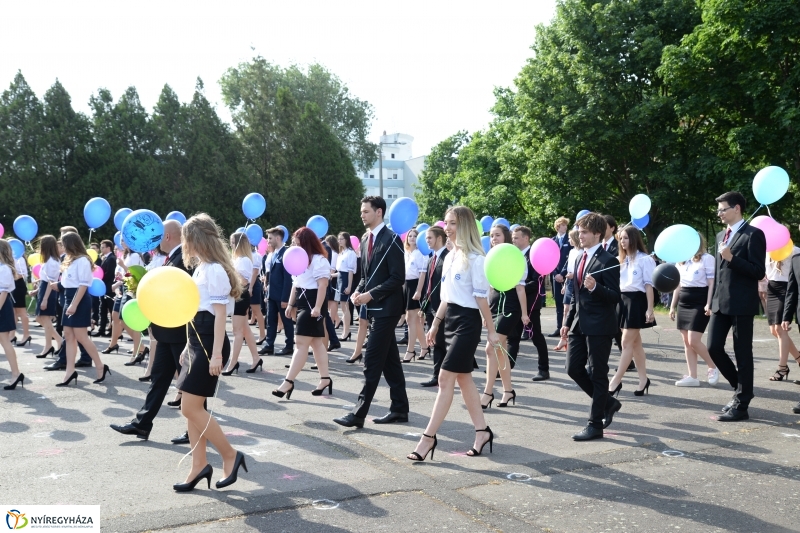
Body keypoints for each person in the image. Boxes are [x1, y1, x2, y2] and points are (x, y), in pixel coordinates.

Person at [407, 206, 498, 461]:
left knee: (445, 379)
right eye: (446, 223)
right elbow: (446, 297)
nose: (447, 228)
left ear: (465, 226)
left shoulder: (476, 259)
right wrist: (435, 325)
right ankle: (482, 432)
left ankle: (428, 438)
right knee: (464, 379)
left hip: (468, 324)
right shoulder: (449, 257)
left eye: (453, 223)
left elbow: (482, 300)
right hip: (449, 321)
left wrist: (491, 331)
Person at [172, 213, 247, 492]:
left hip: (209, 341)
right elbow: (196, 310)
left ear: (196, 238)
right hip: (196, 339)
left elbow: (218, 317)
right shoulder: (203, 267)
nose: (184, 244)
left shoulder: (214, 269)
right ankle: (199, 466)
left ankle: (230, 455)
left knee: (189, 407)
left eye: (186, 238)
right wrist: (186, 347)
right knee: (193, 410)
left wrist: (216, 355)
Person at [110, 220, 193, 443]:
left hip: (178, 330)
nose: (154, 239)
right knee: (159, 378)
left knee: (188, 382)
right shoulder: (171, 259)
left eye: (158, 234)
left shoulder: (184, 260)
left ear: (167, 236)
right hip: (166, 329)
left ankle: (195, 429)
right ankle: (142, 424)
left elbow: (177, 293)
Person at [334, 196, 409, 428]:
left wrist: (371, 294)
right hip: (373, 307)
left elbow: (398, 278)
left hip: (388, 309)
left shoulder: (393, 239)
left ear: (379, 212)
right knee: (390, 362)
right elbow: (365, 275)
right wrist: (358, 291)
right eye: (361, 211)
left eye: (366, 211)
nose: (362, 215)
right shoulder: (366, 238)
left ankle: (359, 413)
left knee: (372, 360)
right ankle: (399, 408)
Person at [561, 213, 622, 441]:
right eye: (578, 231)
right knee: (573, 368)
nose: (580, 235)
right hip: (579, 323)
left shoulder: (608, 261)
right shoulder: (578, 258)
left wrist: (596, 287)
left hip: (600, 325)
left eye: (584, 231)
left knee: (598, 374)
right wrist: (567, 323)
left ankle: (595, 424)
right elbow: (576, 296)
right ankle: (608, 402)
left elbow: (615, 296)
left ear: (597, 233)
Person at [708, 191, 766, 422]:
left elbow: (758, 271)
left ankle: (741, 404)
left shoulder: (754, 234)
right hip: (719, 303)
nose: (719, 213)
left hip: (741, 303)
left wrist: (732, 258)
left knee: (743, 353)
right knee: (713, 348)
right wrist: (710, 301)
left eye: (723, 209)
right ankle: (740, 389)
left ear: (737, 209)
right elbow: (717, 273)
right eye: (719, 210)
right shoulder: (722, 234)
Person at [272, 227, 333, 399]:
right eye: (294, 243)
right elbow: (296, 282)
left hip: (313, 303)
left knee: (300, 343)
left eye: (298, 243)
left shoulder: (319, 260)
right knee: (316, 343)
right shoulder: (299, 258)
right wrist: (291, 304)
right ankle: (325, 379)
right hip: (302, 301)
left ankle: (288, 382)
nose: (295, 246)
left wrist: (317, 307)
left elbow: (323, 285)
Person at [481, 224, 527, 409]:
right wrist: (485, 313)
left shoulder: (514, 257)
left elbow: (520, 287)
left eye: (497, 235)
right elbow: (487, 288)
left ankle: (488, 393)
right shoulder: (491, 257)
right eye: (492, 236)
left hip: (509, 308)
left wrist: (524, 314)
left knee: (490, 349)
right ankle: (508, 391)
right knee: (500, 350)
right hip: (494, 307)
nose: (494, 239)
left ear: (506, 237)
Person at [54, 233, 109, 387]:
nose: (62, 247)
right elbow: (66, 283)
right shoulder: (69, 259)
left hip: (79, 299)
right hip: (69, 298)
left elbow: (84, 285)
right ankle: (69, 372)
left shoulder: (83, 260)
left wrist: (74, 304)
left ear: (71, 244)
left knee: (81, 337)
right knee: (68, 336)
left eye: (64, 244)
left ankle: (100, 366)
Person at [607, 227, 656, 397]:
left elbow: (649, 285)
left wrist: (650, 309)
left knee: (626, 342)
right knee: (635, 344)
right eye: (620, 239)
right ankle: (643, 379)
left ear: (634, 239)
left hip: (637, 301)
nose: (622, 242)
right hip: (622, 301)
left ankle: (615, 381)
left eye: (626, 238)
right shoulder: (620, 259)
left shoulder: (645, 259)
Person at [669, 234, 719, 387]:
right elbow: (678, 285)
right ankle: (693, 376)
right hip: (684, 300)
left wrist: (709, 303)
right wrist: (672, 305)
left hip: (700, 300)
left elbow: (711, 283)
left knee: (693, 340)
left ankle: (713, 366)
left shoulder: (707, 258)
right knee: (686, 341)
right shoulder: (680, 261)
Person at [509, 226, 549, 378]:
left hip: (531, 304)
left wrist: (518, 286)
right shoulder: (514, 256)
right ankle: (505, 368)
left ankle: (543, 369)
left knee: (536, 337)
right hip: (516, 303)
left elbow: (537, 282)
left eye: (517, 237)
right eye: (513, 238)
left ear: (526, 238)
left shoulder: (534, 256)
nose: (514, 240)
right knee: (513, 337)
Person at [222, 232, 261, 375]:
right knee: (244, 329)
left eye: (233, 242)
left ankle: (233, 363)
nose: (231, 244)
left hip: (240, 296)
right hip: (237, 296)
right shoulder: (238, 259)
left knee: (237, 331)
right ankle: (256, 358)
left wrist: (231, 271)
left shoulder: (244, 260)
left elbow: (244, 281)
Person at [764, 244, 800, 381]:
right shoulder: (768, 251)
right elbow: (766, 272)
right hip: (772, 288)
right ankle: (798, 357)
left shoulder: (794, 250)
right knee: (774, 330)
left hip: (786, 288)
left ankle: (782, 367)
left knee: (780, 329)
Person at [419, 226, 449, 387]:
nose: (427, 241)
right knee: (435, 342)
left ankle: (442, 376)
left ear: (439, 238)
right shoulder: (431, 258)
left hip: (444, 308)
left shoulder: (448, 257)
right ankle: (437, 375)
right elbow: (428, 285)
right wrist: (424, 307)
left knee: (442, 343)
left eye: (429, 238)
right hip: (431, 307)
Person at [260, 228, 294, 356]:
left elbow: (287, 279)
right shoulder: (274, 254)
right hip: (272, 294)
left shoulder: (286, 253)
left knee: (286, 321)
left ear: (278, 238)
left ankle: (289, 345)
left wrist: (286, 298)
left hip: (281, 295)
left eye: (270, 238)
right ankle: (269, 345)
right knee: (271, 321)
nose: (268, 241)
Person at [33, 235, 62, 358]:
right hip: (45, 289)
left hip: (48, 291)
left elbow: (51, 282)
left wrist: (44, 299)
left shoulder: (52, 261)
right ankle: (59, 340)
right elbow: (45, 280)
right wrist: (38, 290)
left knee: (44, 318)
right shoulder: (49, 260)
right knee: (41, 318)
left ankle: (49, 345)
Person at [0, 240, 24, 390]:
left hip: (1, 306)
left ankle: (16, 373)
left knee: (4, 340)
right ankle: (16, 373)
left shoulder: (4, 269)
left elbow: (3, 292)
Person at [401, 229, 428, 362]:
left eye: (415, 236)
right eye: (409, 236)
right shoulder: (406, 252)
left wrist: (418, 291)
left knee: (411, 320)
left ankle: (410, 350)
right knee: (413, 320)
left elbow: (423, 274)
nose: (411, 238)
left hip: (416, 286)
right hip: (406, 285)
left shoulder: (421, 253)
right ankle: (424, 347)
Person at [554, 230, 581, 352]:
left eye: (570, 238)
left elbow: (582, 270)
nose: (569, 240)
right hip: (569, 283)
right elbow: (567, 268)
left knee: (573, 310)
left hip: (578, 282)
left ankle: (572, 336)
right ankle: (563, 337)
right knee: (566, 310)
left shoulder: (582, 252)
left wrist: (573, 275)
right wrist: (565, 284)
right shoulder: (571, 251)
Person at [549, 217, 571, 336]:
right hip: (555, 275)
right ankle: (559, 327)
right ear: (558, 226)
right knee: (558, 302)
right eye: (563, 225)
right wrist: (555, 274)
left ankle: (567, 327)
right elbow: (549, 259)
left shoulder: (570, 239)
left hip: (567, 275)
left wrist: (562, 274)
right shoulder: (552, 241)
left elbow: (571, 259)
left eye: (566, 225)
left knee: (567, 302)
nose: (565, 227)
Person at [92, 240, 117, 338]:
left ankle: (112, 331)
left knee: (111, 310)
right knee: (102, 308)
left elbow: (109, 273)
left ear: (108, 248)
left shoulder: (111, 258)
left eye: (103, 247)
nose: (101, 249)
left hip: (108, 288)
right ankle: (101, 329)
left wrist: (100, 279)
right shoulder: (105, 258)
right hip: (103, 287)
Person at [335, 232, 357, 342]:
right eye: (339, 239)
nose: (339, 241)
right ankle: (345, 331)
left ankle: (346, 331)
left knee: (345, 307)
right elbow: (340, 270)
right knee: (343, 307)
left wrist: (349, 286)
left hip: (346, 280)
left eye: (341, 239)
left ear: (347, 240)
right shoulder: (342, 252)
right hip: (340, 278)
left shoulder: (350, 253)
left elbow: (350, 271)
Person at [11, 249, 30, 346]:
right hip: (12, 286)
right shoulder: (8, 257)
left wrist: (8, 276)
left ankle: (26, 335)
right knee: (13, 312)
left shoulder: (19, 258)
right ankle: (12, 335)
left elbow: (22, 274)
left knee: (21, 312)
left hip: (18, 286)